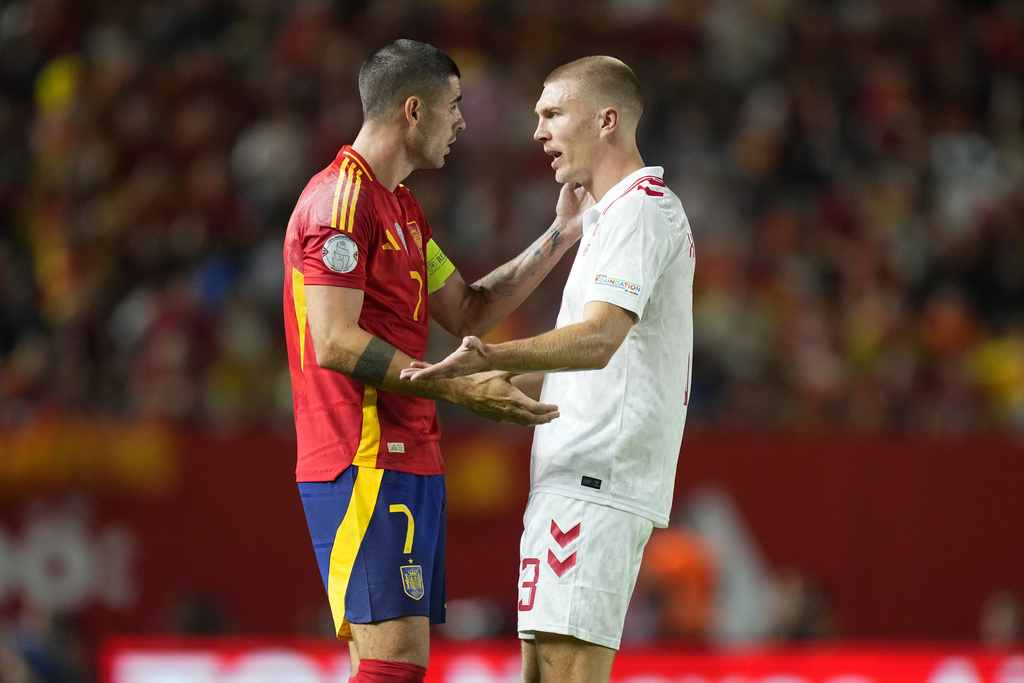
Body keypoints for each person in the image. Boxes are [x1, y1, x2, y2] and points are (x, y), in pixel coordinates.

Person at [282, 39, 590, 683]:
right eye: (455, 107)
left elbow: (469, 310)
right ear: (413, 110)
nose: (462, 124)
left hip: (408, 449)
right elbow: (333, 339)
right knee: (394, 664)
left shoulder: (403, 211)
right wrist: (458, 390)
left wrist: (562, 233)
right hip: (360, 453)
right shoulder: (339, 202)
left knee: (388, 663)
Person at [402, 55, 696, 682]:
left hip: (598, 479)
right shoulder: (605, 219)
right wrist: (471, 382)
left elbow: (598, 341)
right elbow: (586, 365)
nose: (538, 131)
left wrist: (497, 355)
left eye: (553, 113)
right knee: (541, 672)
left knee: (564, 673)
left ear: (607, 120)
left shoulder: (643, 210)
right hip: (571, 478)